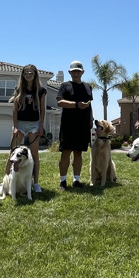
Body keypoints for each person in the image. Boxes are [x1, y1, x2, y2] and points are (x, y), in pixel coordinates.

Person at [2, 63, 47, 194]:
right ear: (23, 75)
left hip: (34, 124)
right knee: (12, 153)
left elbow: (42, 109)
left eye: (31, 73)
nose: (28, 75)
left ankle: (36, 183)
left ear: (35, 75)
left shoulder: (41, 90)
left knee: (34, 154)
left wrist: (41, 126)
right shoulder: (19, 89)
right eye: (26, 73)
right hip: (20, 124)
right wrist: (15, 126)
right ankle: (5, 182)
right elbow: (15, 109)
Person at [56, 60, 92, 189]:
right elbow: (60, 102)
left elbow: (89, 105)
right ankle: (63, 181)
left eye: (78, 71)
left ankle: (76, 180)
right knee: (66, 152)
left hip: (83, 125)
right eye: (74, 71)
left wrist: (90, 119)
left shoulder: (88, 87)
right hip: (68, 124)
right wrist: (76, 105)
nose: (76, 73)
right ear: (69, 72)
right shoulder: (65, 86)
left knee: (78, 153)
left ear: (82, 72)